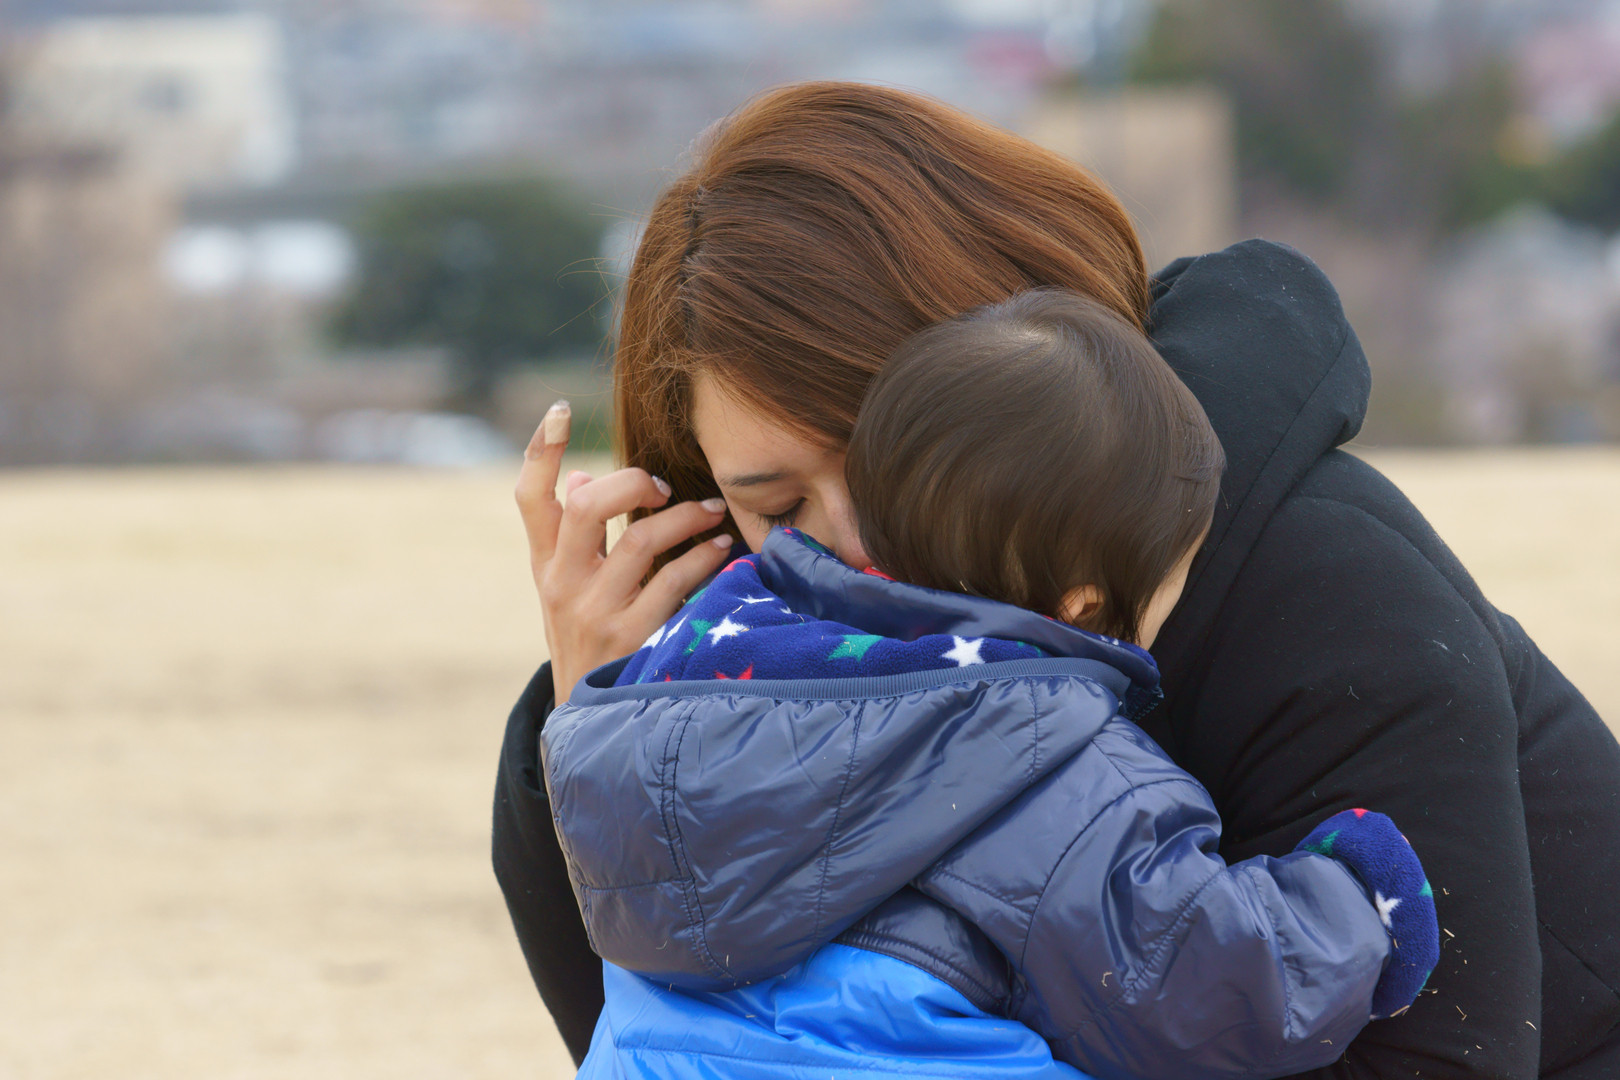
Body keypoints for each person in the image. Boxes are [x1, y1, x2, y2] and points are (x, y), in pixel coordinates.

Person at [497, 82, 1620, 1077]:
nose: (859, 545)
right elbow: (676, 1050)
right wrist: (603, 732)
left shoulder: (1322, 578)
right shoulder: (748, 678)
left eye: (897, 460)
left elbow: (1434, 1059)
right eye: (777, 507)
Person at [542, 289, 1441, 1079]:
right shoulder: (1049, 753)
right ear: (1088, 604)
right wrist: (1359, 900)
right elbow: (1200, 986)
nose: (848, 536)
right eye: (779, 507)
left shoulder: (676, 680)